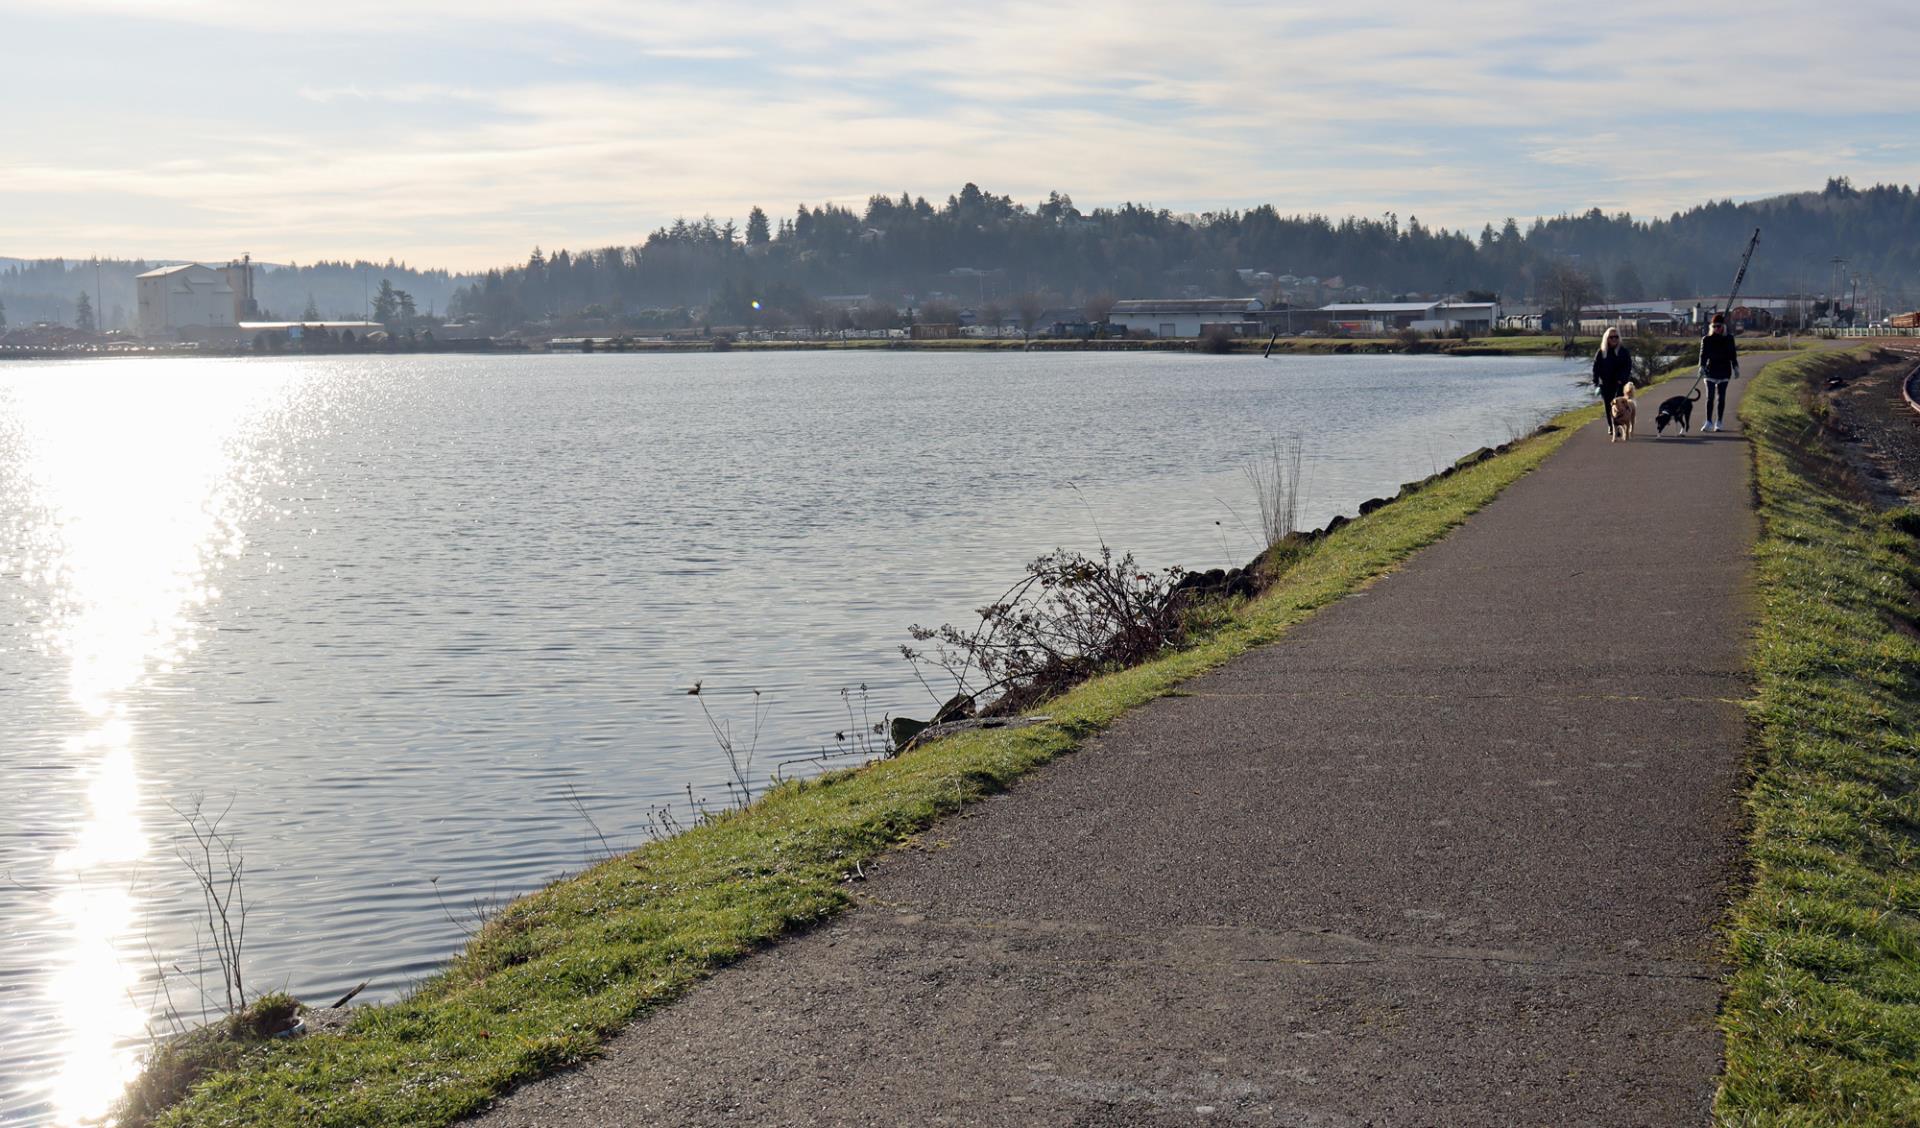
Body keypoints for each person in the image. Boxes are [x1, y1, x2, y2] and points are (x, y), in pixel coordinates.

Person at [1698, 313, 1740, 431]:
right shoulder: (1706, 339)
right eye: (1714, 326)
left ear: (1723, 326)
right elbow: (1703, 354)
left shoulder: (1729, 338)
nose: (1717, 328)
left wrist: (1735, 367)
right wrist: (1701, 366)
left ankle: (1719, 422)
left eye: (1719, 326)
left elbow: (1733, 354)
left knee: (1721, 397)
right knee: (1709, 397)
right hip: (1710, 371)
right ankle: (1708, 421)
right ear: (1712, 327)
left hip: (1724, 371)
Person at [1592, 327, 1634, 440]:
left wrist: (1622, 378)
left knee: (1621, 405)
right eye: (1611, 337)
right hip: (1605, 383)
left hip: (1620, 383)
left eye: (1616, 337)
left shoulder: (1623, 351)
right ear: (1607, 338)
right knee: (1609, 406)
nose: (1614, 339)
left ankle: (1624, 424)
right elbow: (1596, 367)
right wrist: (1595, 381)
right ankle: (1612, 426)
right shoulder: (1601, 352)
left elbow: (1628, 366)